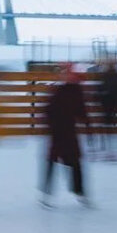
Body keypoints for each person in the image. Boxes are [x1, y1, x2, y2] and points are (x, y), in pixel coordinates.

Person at [41, 63, 92, 208]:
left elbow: (81, 112)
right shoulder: (60, 91)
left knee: (73, 163)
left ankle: (79, 192)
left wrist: (88, 128)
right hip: (59, 132)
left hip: (68, 132)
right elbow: (48, 110)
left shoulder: (76, 91)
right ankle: (48, 194)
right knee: (55, 162)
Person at [96, 58, 117, 159]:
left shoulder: (113, 75)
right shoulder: (112, 75)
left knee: (109, 122)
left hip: (110, 102)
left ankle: (109, 146)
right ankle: (108, 146)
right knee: (108, 122)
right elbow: (116, 88)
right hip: (109, 102)